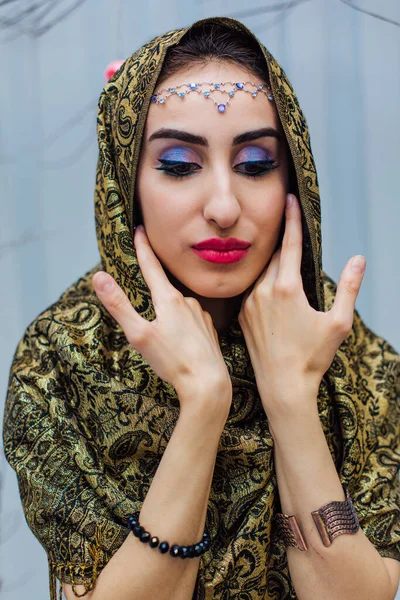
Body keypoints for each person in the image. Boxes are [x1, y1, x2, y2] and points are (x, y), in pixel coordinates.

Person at [2, 15, 400, 600]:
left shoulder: (357, 361)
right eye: (180, 166)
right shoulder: (63, 362)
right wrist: (204, 404)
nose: (222, 206)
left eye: (256, 164)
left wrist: (289, 394)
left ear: (296, 179)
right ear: (125, 184)